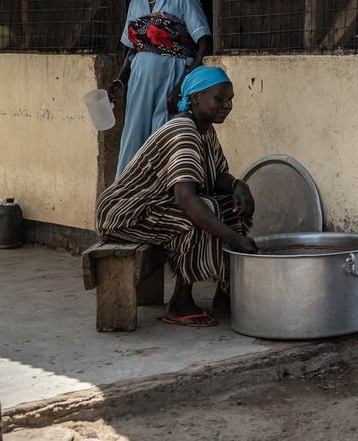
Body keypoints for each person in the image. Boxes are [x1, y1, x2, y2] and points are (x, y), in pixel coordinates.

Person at [96, 66, 256, 328]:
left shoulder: (204, 129)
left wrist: (240, 186)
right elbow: (186, 199)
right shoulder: (183, 132)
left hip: (154, 208)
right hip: (125, 212)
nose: (227, 106)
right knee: (202, 210)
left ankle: (226, 291)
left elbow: (216, 175)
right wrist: (235, 239)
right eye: (219, 99)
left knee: (231, 205)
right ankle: (179, 303)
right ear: (195, 98)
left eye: (230, 100)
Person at [108, 0, 213, 177]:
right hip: (140, 83)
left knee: (165, 137)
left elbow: (204, 43)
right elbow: (133, 48)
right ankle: (127, 196)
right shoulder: (136, 2)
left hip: (172, 79)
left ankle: (163, 199)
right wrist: (120, 81)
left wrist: (183, 86)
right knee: (135, 135)